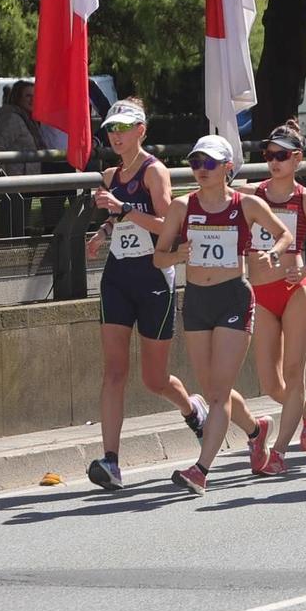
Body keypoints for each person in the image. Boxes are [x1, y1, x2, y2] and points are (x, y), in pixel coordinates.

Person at [154, 135, 292, 495]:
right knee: (216, 389)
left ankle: (200, 470)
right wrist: (178, 254)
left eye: (210, 163)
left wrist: (273, 256)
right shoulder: (182, 207)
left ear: (227, 168)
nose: (201, 170)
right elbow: (159, 257)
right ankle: (256, 430)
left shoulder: (246, 205)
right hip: (197, 299)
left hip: (232, 297)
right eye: (196, 163)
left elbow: (284, 234)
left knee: (216, 396)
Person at [84, 99, 208, 490]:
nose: (115, 136)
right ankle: (111, 461)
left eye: (123, 128)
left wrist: (123, 210)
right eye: (110, 129)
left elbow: (167, 227)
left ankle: (193, 409)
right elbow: (117, 217)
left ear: (141, 130)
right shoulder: (110, 174)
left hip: (154, 276)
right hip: (118, 274)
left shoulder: (155, 173)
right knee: (114, 371)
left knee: (154, 379)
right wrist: (104, 231)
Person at [245, 121, 306, 472]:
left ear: (298, 159)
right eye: (269, 155)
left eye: (282, 156)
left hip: (295, 289)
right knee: (271, 383)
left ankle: (280, 451)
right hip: (260, 291)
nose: (274, 161)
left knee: (294, 371)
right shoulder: (251, 196)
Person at [0, 79, 44, 237]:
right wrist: (2, 183)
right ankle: (6, 256)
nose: (32, 99)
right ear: (17, 97)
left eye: (35, 95)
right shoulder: (11, 118)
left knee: (18, 227)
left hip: (25, 183)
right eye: (28, 96)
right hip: (13, 184)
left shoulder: (28, 119)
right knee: (11, 228)